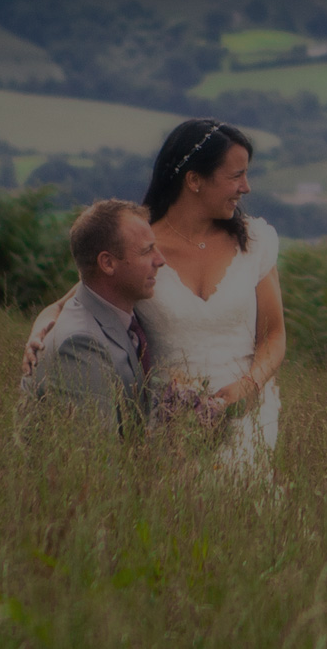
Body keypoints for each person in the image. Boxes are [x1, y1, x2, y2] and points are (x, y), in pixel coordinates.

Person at [25, 119, 286, 468]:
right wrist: (39, 331)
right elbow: (75, 301)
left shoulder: (253, 241)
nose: (246, 187)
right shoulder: (142, 249)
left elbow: (274, 334)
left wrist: (249, 387)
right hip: (169, 420)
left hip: (248, 417)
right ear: (194, 180)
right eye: (235, 176)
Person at [23, 199, 166, 436]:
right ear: (107, 263)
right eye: (146, 251)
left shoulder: (110, 314)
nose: (161, 260)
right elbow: (93, 460)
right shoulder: (79, 344)